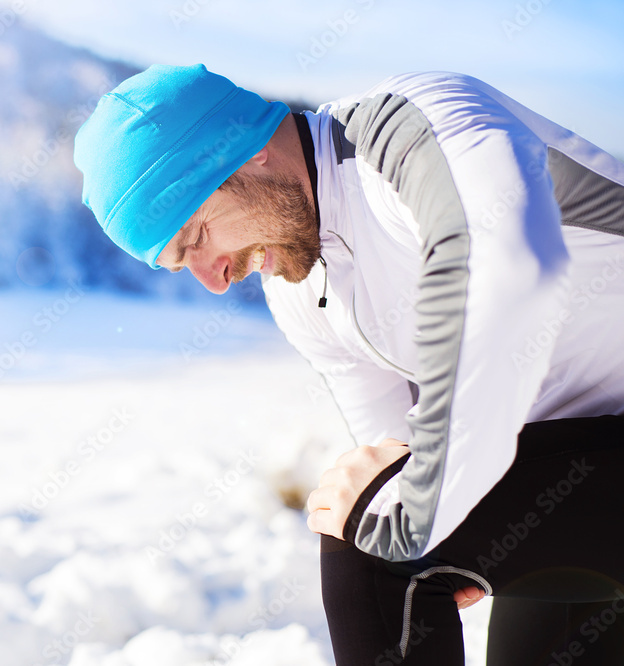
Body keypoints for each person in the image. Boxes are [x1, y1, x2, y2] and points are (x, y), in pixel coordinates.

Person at [73, 64, 624, 664]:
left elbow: (507, 270)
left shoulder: (414, 127)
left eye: (197, 235)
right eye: (181, 264)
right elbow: (393, 450)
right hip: (580, 472)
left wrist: (426, 519)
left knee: (370, 535)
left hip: (593, 457)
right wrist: (438, 533)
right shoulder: (300, 290)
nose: (215, 279)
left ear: (243, 148)